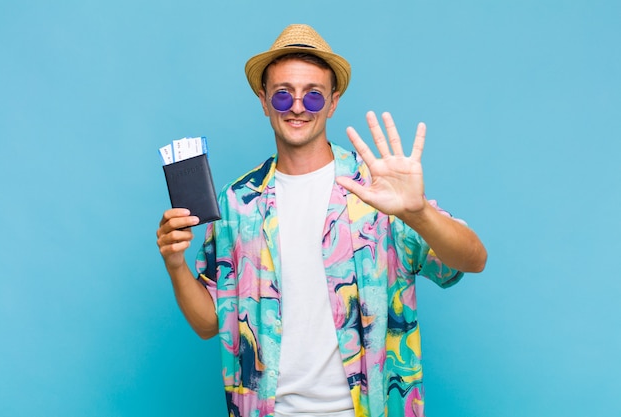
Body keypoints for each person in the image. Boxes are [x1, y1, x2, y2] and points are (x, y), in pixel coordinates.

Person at [156, 24, 487, 417]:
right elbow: (210, 323)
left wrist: (419, 213)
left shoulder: (378, 190)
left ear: (333, 103)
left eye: (313, 96)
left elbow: (471, 260)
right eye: (283, 94)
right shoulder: (236, 202)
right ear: (264, 101)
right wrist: (175, 264)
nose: (298, 107)